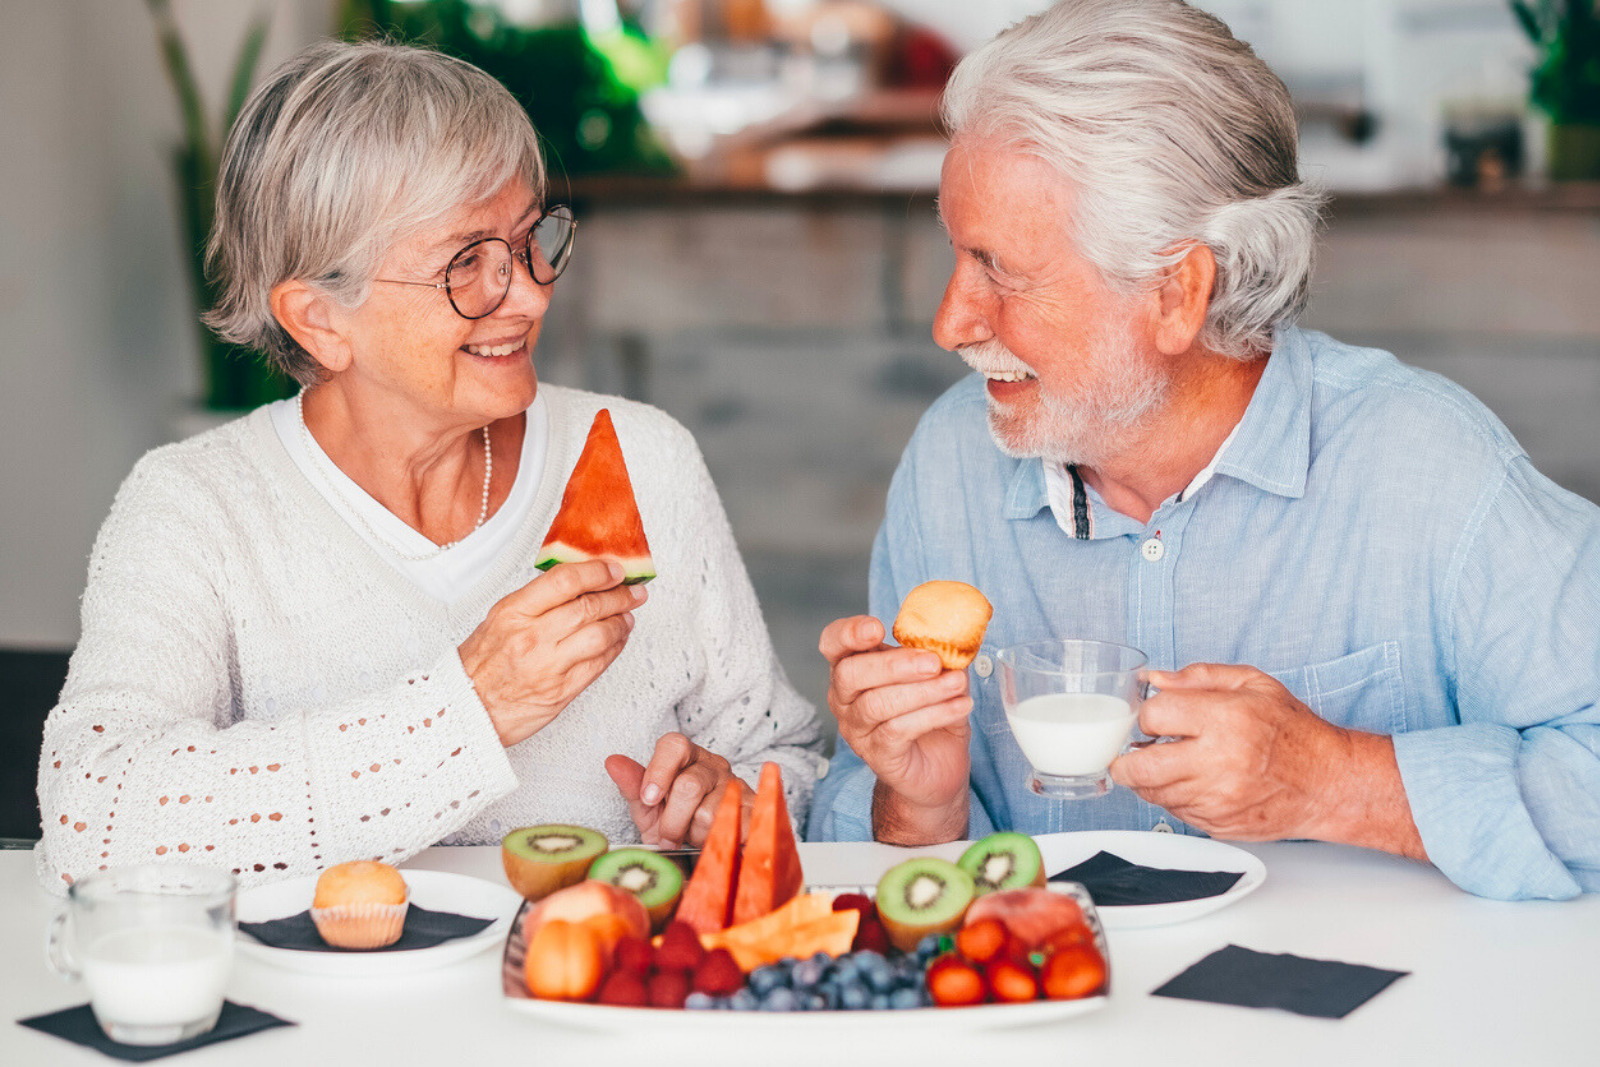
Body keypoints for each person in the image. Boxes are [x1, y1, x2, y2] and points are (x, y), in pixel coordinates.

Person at [807, 0, 1600, 901]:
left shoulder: (1425, 468)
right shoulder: (953, 462)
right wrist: (919, 810)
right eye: (956, 254)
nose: (951, 321)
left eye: (1001, 269)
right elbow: (881, 855)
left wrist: (1339, 779)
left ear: (1179, 292)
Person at [37, 40, 821, 890]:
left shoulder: (644, 454)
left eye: (530, 241)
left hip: (595, 998)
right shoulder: (195, 505)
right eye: (465, 265)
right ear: (320, 320)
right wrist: (468, 712)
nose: (528, 294)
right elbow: (92, 813)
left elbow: (788, 762)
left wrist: (725, 799)